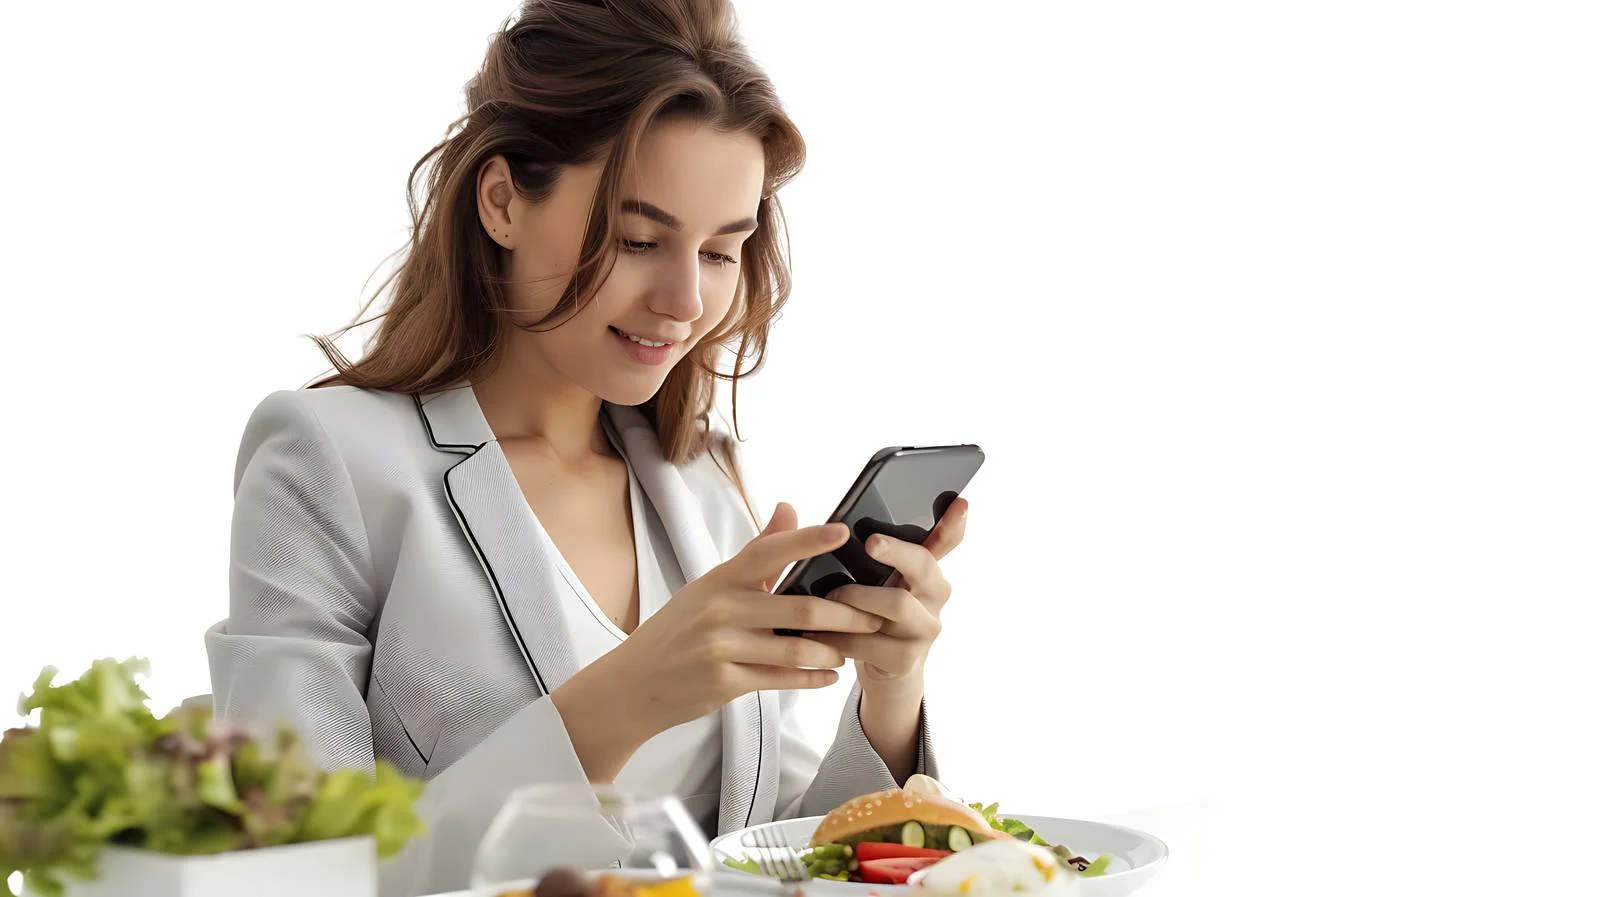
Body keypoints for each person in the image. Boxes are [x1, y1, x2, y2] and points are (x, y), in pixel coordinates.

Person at [205, 1, 968, 893]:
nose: (685, 299)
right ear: (500, 201)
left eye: (723, 252)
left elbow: (768, 855)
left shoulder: (697, 477)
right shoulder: (328, 459)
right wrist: (623, 699)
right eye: (639, 240)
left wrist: (890, 693)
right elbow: (293, 870)